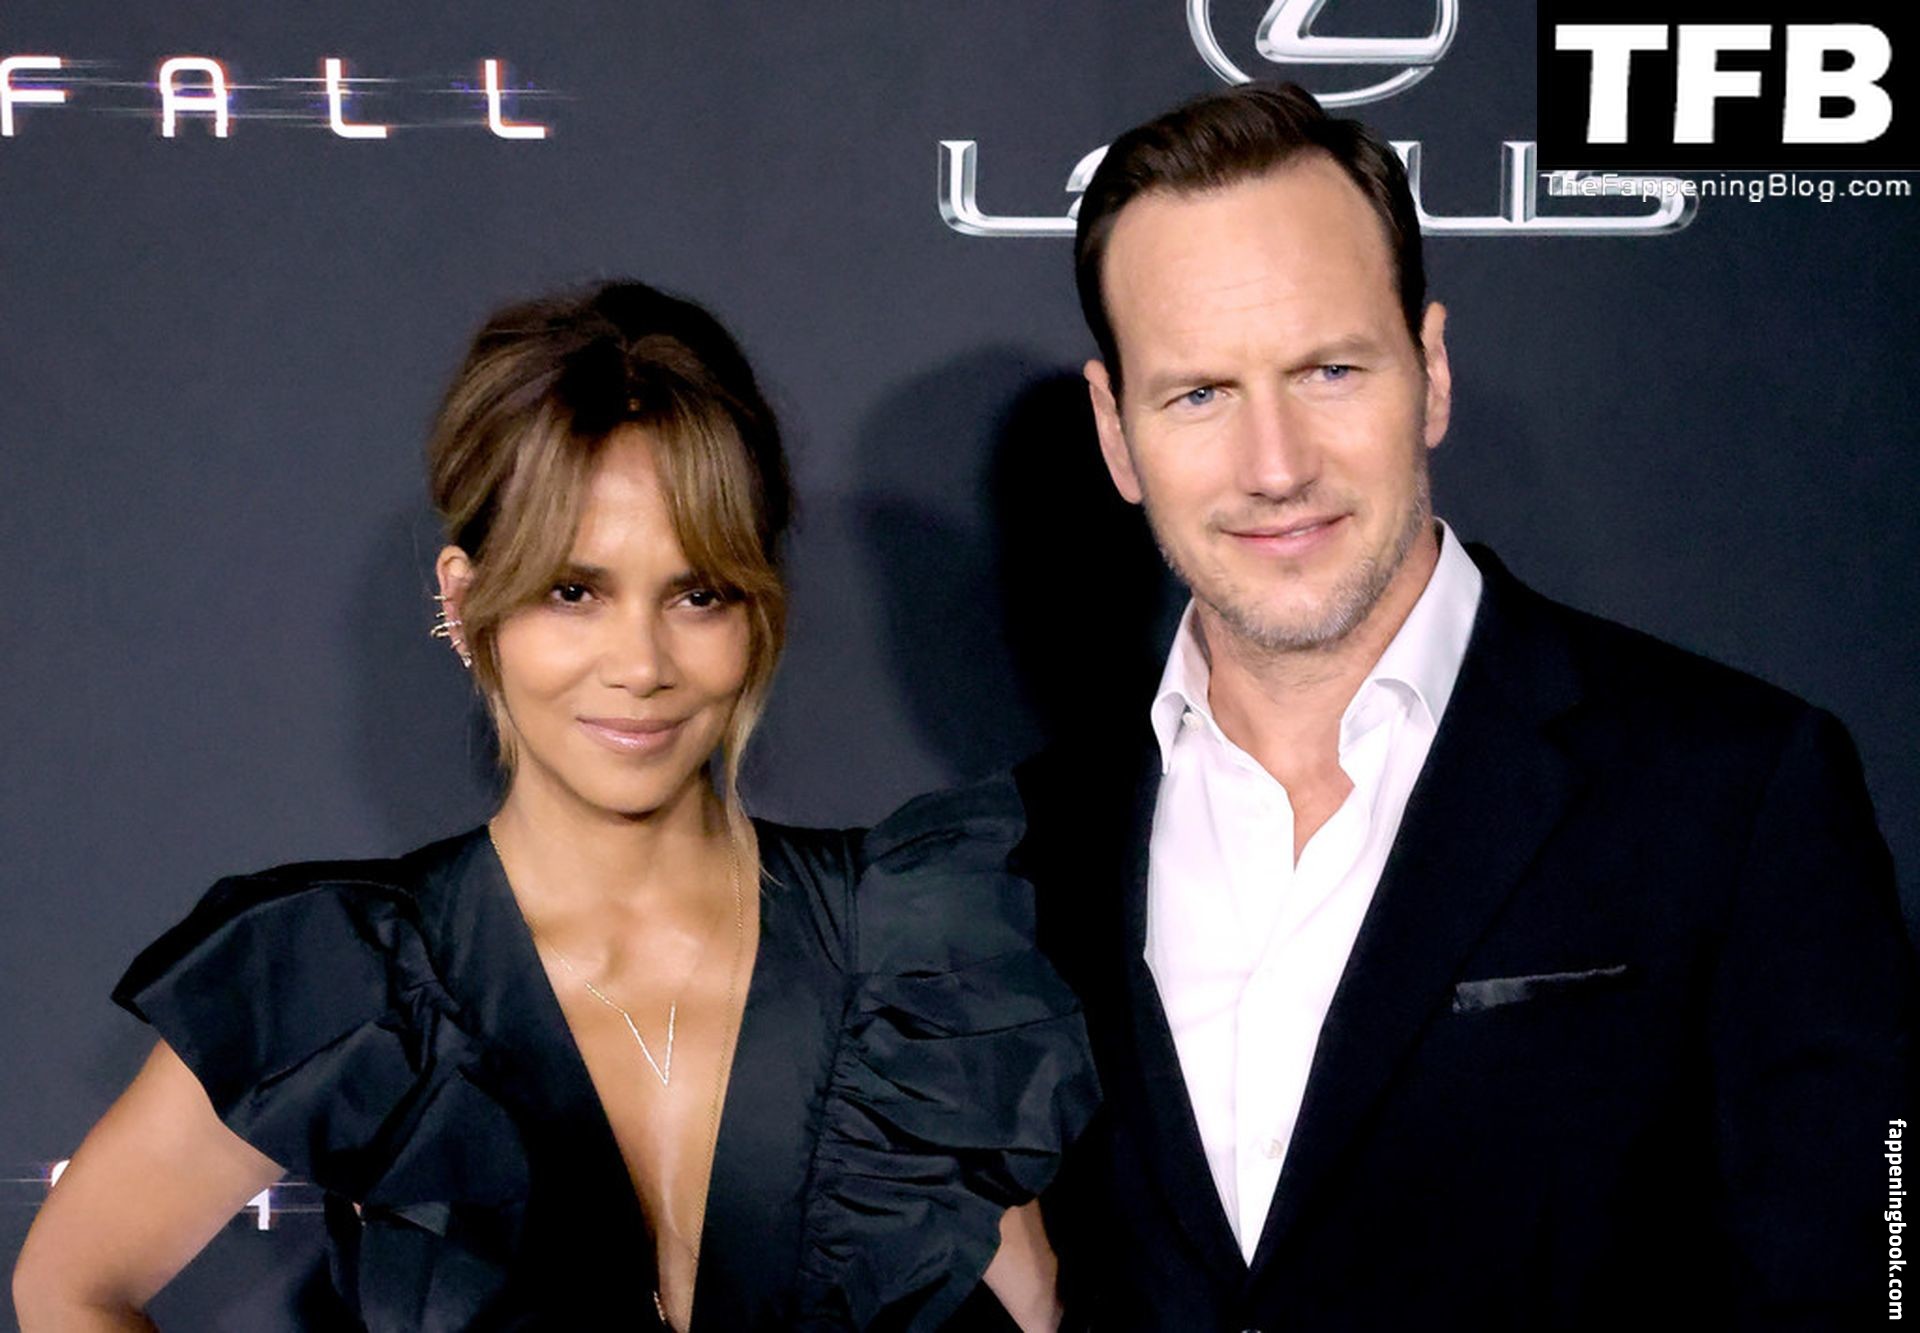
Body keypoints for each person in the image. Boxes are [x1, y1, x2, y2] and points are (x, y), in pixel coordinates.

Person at [12, 281, 1097, 1332]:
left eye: (698, 594)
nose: (640, 665)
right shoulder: (355, 979)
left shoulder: (913, 957)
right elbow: (68, 1286)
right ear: (464, 599)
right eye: (573, 592)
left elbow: (1059, 1311)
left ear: (758, 612)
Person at [1010, 83, 1919, 1329]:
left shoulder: (1734, 791)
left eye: (1331, 369)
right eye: (1200, 395)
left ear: (1430, 371)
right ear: (1117, 434)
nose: (1276, 466)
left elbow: (1863, 1283)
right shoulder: (1026, 851)